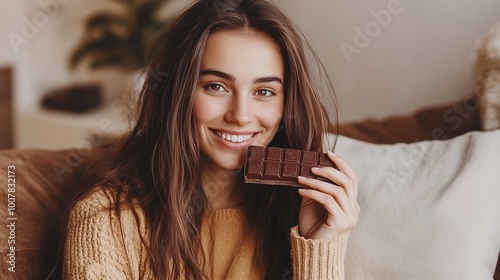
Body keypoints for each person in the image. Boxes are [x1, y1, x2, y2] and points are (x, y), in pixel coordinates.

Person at [61, 0, 360, 279]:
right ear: (177, 93)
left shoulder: (297, 213)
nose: (241, 116)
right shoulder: (105, 218)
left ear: (286, 104)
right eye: (216, 86)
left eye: (264, 92)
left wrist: (319, 248)